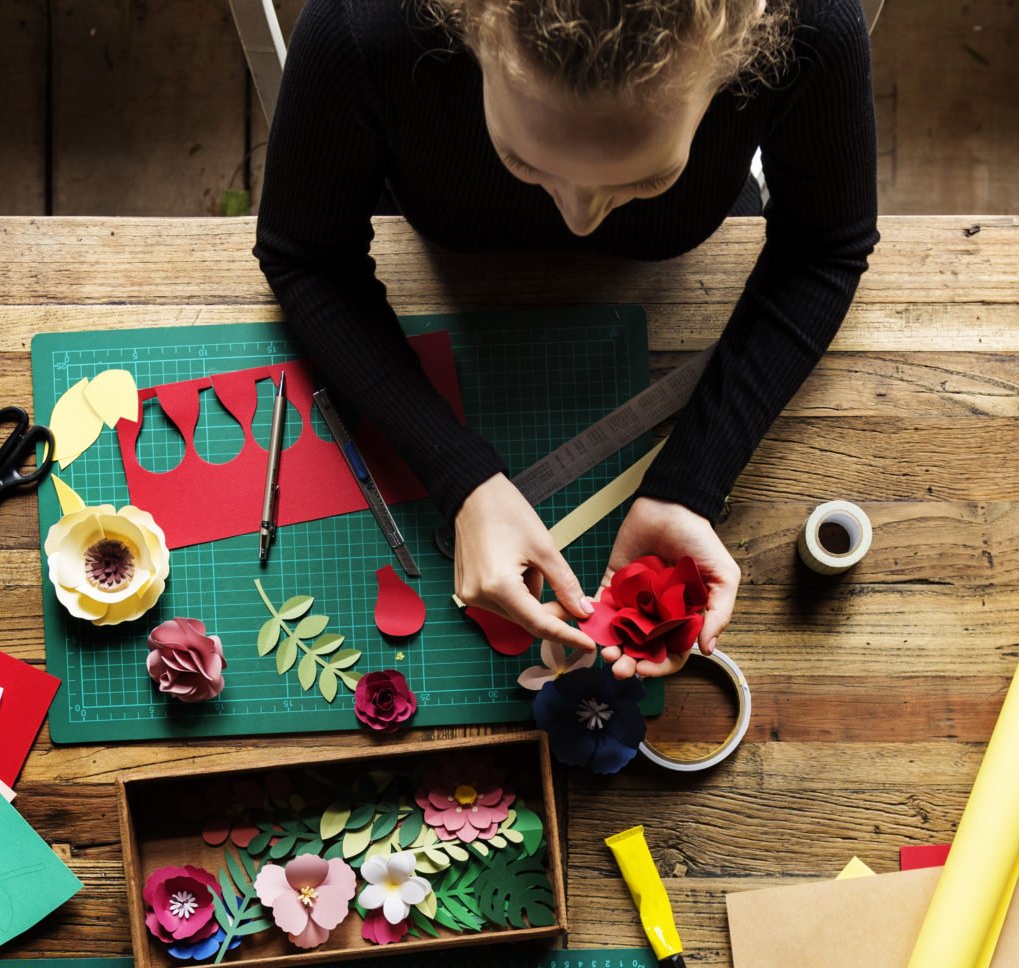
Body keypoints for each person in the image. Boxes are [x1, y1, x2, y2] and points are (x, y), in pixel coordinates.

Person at [255, 0, 878, 679]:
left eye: (647, 179)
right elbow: (306, 254)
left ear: (741, 58)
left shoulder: (807, 22)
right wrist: (460, 477)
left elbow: (822, 250)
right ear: (466, 27)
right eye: (523, 162)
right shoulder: (362, 21)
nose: (580, 222)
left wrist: (692, 481)